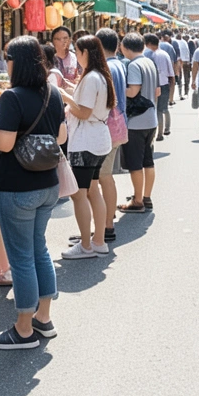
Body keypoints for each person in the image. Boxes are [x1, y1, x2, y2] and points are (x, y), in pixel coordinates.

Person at [0, 36, 65, 349]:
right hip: (48, 184)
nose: (6, 62)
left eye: (7, 57)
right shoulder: (53, 93)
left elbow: (3, 142)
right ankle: (44, 318)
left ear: (16, 61)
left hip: (17, 187)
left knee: (21, 258)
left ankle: (23, 328)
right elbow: (61, 134)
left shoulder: (11, 97)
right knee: (39, 249)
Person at [60, 35, 115, 260]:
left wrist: (65, 97)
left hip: (86, 142)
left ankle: (86, 245)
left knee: (79, 194)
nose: (76, 55)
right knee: (93, 190)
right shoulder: (100, 75)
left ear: (86, 53)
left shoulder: (91, 77)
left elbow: (83, 111)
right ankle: (98, 241)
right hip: (98, 139)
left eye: (77, 51)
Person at [91, 28, 126, 244]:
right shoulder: (119, 64)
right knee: (105, 177)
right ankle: (106, 221)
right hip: (118, 125)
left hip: (108, 127)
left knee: (103, 177)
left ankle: (106, 227)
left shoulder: (106, 69)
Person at [118, 33, 158, 213]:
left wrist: (117, 88)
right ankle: (146, 197)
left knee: (135, 163)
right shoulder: (149, 62)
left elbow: (133, 91)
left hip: (136, 122)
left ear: (125, 47)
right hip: (151, 119)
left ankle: (138, 200)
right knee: (148, 161)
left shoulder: (133, 65)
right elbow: (157, 91)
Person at [145, 33, 174, 141]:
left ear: (148, 43)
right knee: (164, 108)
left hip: (151, 85)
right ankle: (166, 128)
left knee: (156, 110)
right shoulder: (165, 54)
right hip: (164, 84)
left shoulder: (146, 54)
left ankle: (159, 134)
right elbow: (171, 73)